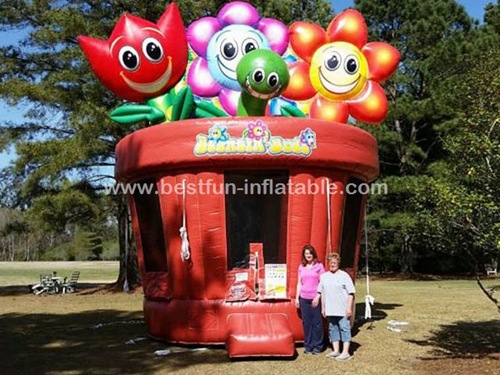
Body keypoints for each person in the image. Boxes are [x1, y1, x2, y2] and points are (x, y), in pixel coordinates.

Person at [314, 253, 355, 361]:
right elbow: (321, 292)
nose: (333, 264)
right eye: (331, 262)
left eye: (335, 262)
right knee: (333, 329)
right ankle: (336, 350)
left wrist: (349, 308)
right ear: (328, 263)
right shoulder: (324, 277)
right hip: (330, 309)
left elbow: (351, 293)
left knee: (344, 329)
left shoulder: (344, 276)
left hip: (342, 309)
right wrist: (323, 308)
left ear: (338, 263)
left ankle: (346, 352)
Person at [295, 244, 325, 354]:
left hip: (314, 298)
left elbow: (322, 283)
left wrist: (318, 296)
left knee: (317, 323)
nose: (308, 255)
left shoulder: (319, 266)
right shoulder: (301, 267)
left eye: (310, 253)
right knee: (306, 323)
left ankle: (318, 345)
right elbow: (299, 283)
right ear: (304, 255)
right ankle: (308, 345)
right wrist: (297, 298)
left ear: (313, 254)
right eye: (306, 254)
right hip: (304, 298)